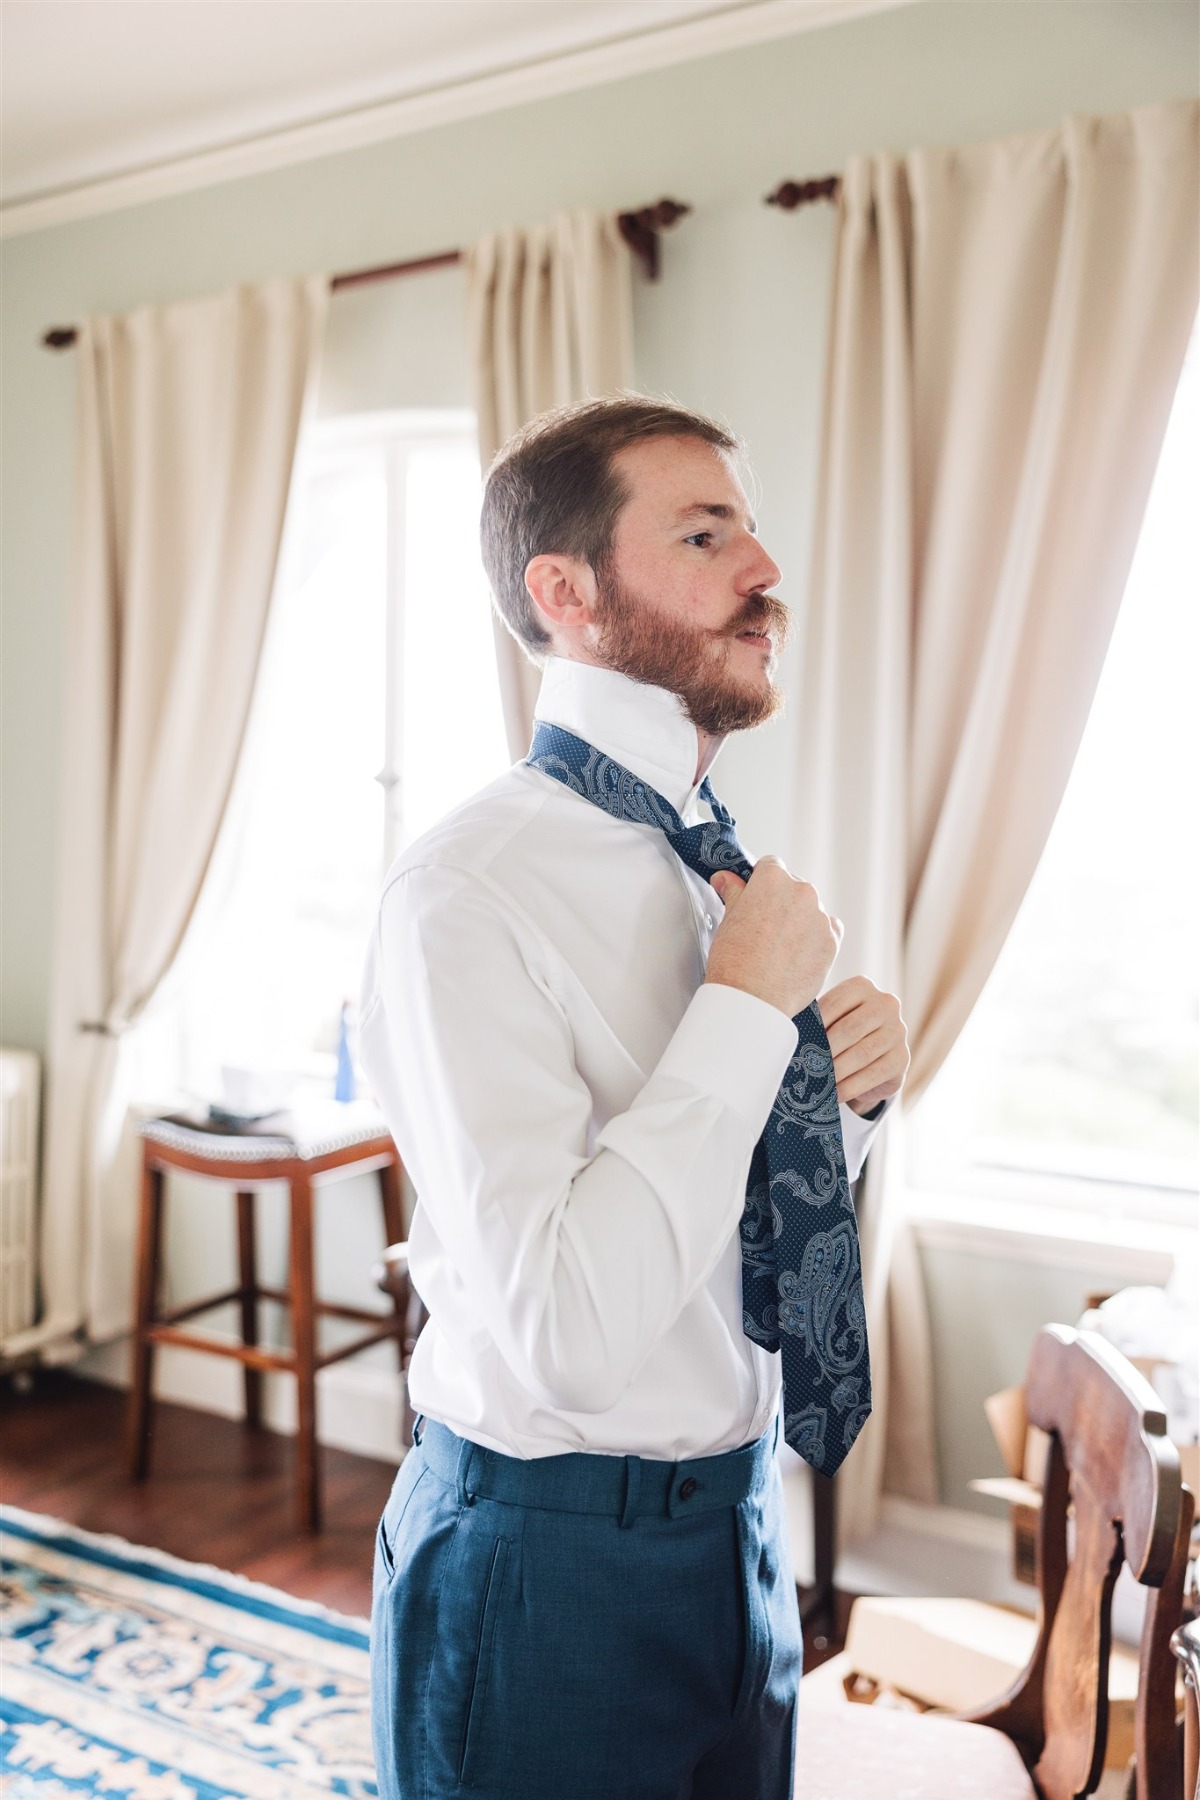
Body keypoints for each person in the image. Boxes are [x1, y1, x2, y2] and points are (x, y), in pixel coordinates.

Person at [358, 396, 910, 1800]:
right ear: (568, 595)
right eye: (706, 532)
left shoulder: (705, 862)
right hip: (546, 1568)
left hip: (737, 1541)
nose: (766, 566)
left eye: (752, 524)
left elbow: (695, 1227)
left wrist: (837, 1108)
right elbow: (569, 1333)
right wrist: (739, 1011)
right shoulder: (462, 897)